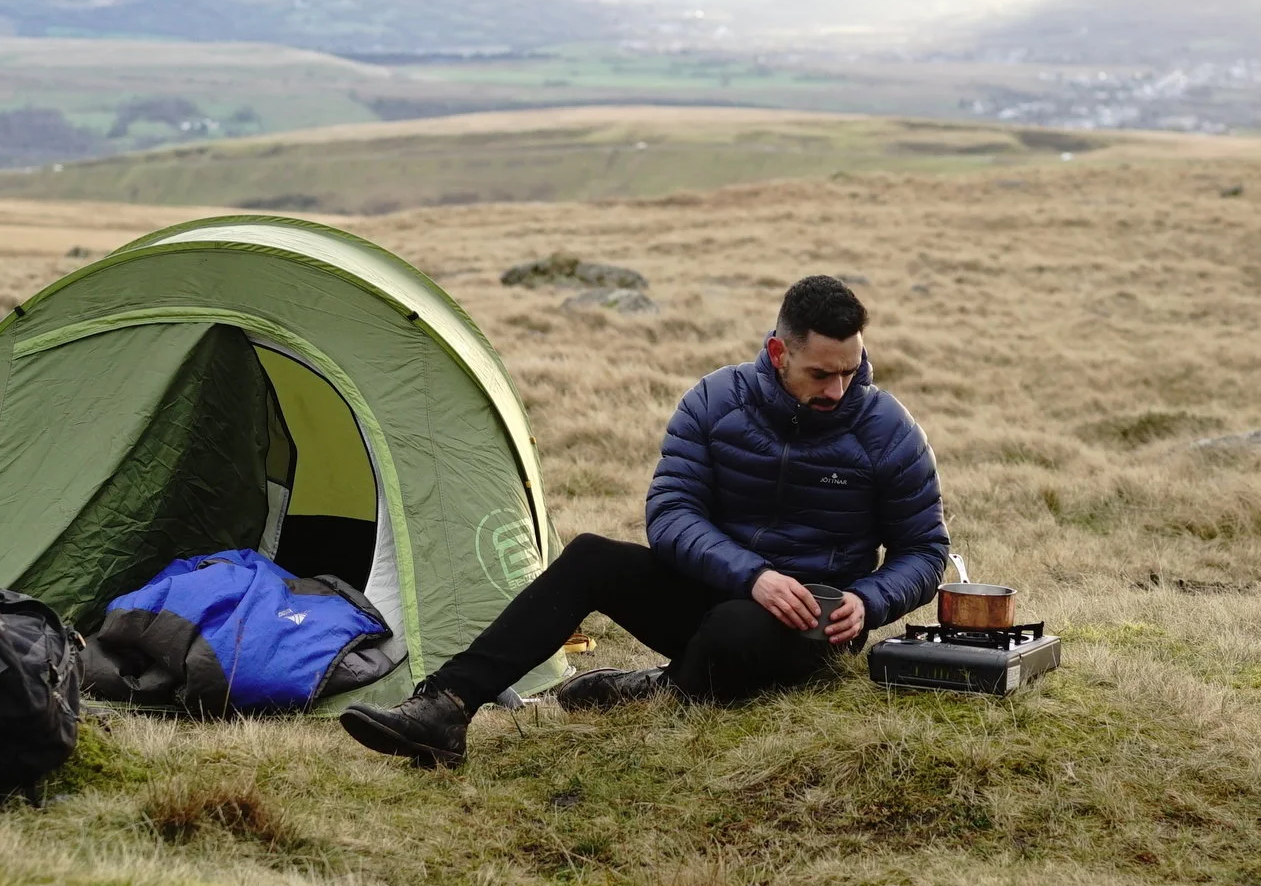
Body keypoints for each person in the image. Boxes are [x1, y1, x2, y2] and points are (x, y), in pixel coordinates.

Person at [339, 274, 949, 768]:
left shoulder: (888, 430)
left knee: (735, 627)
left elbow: (925, 550)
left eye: (849, 370)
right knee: (590, 557)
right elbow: (671, 513)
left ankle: (661, 687)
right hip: (720, 590)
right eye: (821, 373)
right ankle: (445, 706)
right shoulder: (714, 402)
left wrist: (867, 602)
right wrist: (752, 575)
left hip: (814, 624)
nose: (838, 389)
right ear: (778, 353)